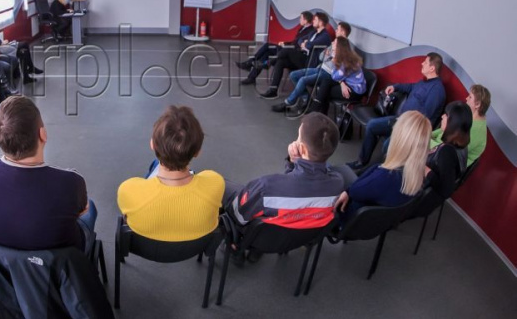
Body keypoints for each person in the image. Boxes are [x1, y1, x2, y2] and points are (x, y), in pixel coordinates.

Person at [0, 96, 97, 253]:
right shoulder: (71, 181)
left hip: (5, 264)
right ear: (43, 134)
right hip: (60, 267)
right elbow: (81, 211)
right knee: (90, 206)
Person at [228, 113, 344, 254]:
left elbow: (239, 216)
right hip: (299, 239)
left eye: (298, 137)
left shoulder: (266, 187)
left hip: (259, 240)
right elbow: (294, 189)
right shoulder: (337, 184)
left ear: (302, 149)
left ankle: (235, 246)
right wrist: (293, 163)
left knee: (225, 187)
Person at [117, 106, 225, 242]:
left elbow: (127, 218)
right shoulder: (215, 182)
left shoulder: (128, 189)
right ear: (197, 151)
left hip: (146, 248)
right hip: (194, 247)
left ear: (152, 145)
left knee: (154, 166)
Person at [348, 52, 446, 170]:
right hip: (399, 120)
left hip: (410, 129)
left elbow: (424, 118)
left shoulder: (437, 91)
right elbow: (410, 87)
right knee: (372, 125)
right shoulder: (423, 82)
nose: (422, 63)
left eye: (425, 62)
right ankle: (361, 162)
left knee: (386, 146)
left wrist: (403, 123)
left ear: (432, 68)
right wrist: (395, 86)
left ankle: (381, 170)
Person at [334, 111, 430, 220]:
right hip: (380, 223)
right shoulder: (419, 178)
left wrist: (347, 192)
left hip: (348, 219)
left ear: (399, 140)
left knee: (336, 174)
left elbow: (355, 191)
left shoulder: (384, 177)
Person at [271, 22, 351, 113]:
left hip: (328, 74)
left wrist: (331, 56)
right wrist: (328, 55)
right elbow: (321, 57)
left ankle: (288, 102)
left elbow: (338, 68)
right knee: (293, 75)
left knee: (303, 80)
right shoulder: (334, 42)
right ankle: (306, 99)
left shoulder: (345, 47)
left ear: (343, 32)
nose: (336, 30)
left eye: (338, 29)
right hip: (320, 68)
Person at [260, 12, 333, 99]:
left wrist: (306, 43)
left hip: (309, 61)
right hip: (302, 56)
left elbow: (309, 45)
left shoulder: (325, 36)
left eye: (315, 19)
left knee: (288, 49)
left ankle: (269, 62)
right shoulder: (314, 32)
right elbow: (300, 39)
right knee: (281, 62)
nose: (313, 21)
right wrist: (304, 43)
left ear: (321, 22)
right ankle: (273, 91)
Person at [237, 10, 316, 85]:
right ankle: (251, 75)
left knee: (267, 46)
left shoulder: (310, 31)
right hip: (288, 48)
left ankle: (250, 63)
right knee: (266, 53)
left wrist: (286, 45)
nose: (299, 20)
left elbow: (299, 44)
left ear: (305, 20)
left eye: (301, 18)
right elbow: (295, 41)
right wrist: (284, 43)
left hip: (292, 52)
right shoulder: (302, 28)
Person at [430, 85, 489, 167]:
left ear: (477, 104)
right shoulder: (468, 117)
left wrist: (425, 139)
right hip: (435, 148)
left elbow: (446, 150)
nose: (466, 98)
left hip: (443, 163)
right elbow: (443, 130)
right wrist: (428, 134)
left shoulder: (476, 130)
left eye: (470, 97)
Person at [305, 36, 366, 115]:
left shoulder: (346, 61)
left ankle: (317, 110)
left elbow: (334, 76)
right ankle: (318, 111)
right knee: (326, 82)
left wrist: (334, 61)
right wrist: (342, 83)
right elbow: (338, 77)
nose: (332, 43)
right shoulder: (347, 56)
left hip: (355, 91)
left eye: (334, 43)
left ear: (339, 47)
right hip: (349, 84)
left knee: (326, 90)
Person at [426, 101, 472, 199]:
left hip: (418, 199)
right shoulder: (461, 144)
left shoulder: (447, 152)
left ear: (453, 123)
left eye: (446, 115)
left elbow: (445, 190)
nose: (442, 117)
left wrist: (425, 170)